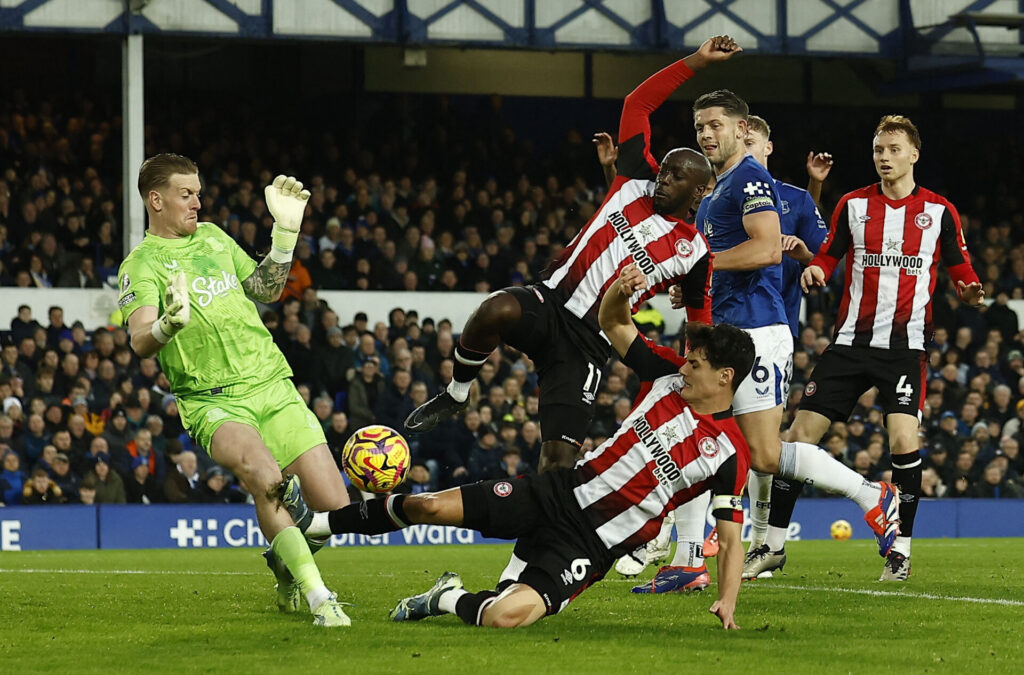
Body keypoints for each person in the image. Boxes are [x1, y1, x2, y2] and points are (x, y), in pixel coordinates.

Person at [280, 264, 755, 629]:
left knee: (506, 617)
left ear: (725, 376)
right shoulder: (665, 374)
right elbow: (614, 324)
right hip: (557, 492)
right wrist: (619, 291)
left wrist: (728, 599)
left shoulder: (730, 452)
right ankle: (319, 522)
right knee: (427, 505)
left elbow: (731, 537)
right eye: (688, 359)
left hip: (591, 544)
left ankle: (446, 598)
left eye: (696, 363)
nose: (686, 366)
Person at [404, 36, 738, 475]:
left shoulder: (694, 250)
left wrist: (700, 365)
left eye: (674, 177)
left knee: (559, 461)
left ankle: (546, 539)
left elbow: (700, 314)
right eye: (664, 169)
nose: (662, 179)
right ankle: (457, 392)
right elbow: (637, 103)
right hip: (550, 302)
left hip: (590, 343)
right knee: (495, 308)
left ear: (698, 192)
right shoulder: (635, 177)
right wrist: (696, 61)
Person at [686, 56, 903, 581]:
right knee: (720, 441)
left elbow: (764, 251)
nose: (706, 135)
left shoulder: (751, 179)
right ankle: (687, 559)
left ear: (742, 130)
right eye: (699, 128)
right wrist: (689, 284)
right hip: (727, 329)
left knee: (752, 450)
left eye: (716, 125)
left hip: (757, 329)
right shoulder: (715, 190)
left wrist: (696, 266)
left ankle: (868, 493)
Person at [117, 154, 349, 626]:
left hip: (271, 383)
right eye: (187, 194)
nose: (198, 202)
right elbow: (140, 340)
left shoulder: (216, 238)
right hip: (213, 399)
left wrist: (283, 238)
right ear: (156, 200)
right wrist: (165, 326)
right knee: (265, 478)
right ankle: (320, 598)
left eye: (199, 192)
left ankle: (284, 563)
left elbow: (265, 290)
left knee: (334, 508)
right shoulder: (139, 265)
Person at [762, 115, 984, 581]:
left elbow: (961, 266)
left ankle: (900, 551)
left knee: (904, 441)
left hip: (905, 349)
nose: (884, 156)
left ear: (913, 155)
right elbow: (829, 253)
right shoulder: (853, 204)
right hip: (848, 343)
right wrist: (817, 269)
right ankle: (774, 546)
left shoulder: (940, 211)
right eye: (878, 149)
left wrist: (970, 288)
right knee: (797, 439)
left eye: (893, 149)